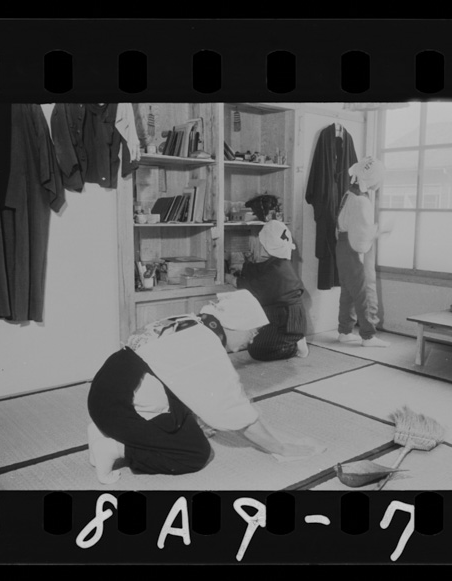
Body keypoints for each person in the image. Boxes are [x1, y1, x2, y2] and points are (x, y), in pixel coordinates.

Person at [87, 289, 324, 484]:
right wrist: (281, 448)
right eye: (253, 331)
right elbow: (234, 411)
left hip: (108, 392)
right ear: (236, 324)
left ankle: (100, 430)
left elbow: (184, 381)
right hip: (118, 407)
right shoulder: (205, 344)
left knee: (192, 431)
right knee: (194, 453)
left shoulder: (193, 323)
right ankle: (115, 448)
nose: (254, 338)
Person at [228, 219, 309, 361]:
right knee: (256, 342)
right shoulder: (281, 263)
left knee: (257, 350)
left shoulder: (274, 271)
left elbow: (247, 285)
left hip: (287, 321)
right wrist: (244, 266)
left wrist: (227, 278)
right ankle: (292, 339)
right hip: (291, 318)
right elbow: (259, 269)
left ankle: (294, 346)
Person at [335, 156, 392, 348]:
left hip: (343, 246)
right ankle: (368, 335)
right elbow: (362, 235)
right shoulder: (361, 201)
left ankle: (345, 331)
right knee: (365, 290)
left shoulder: (349, 194)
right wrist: (380, 231)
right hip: (356, 249)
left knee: (348, 292)